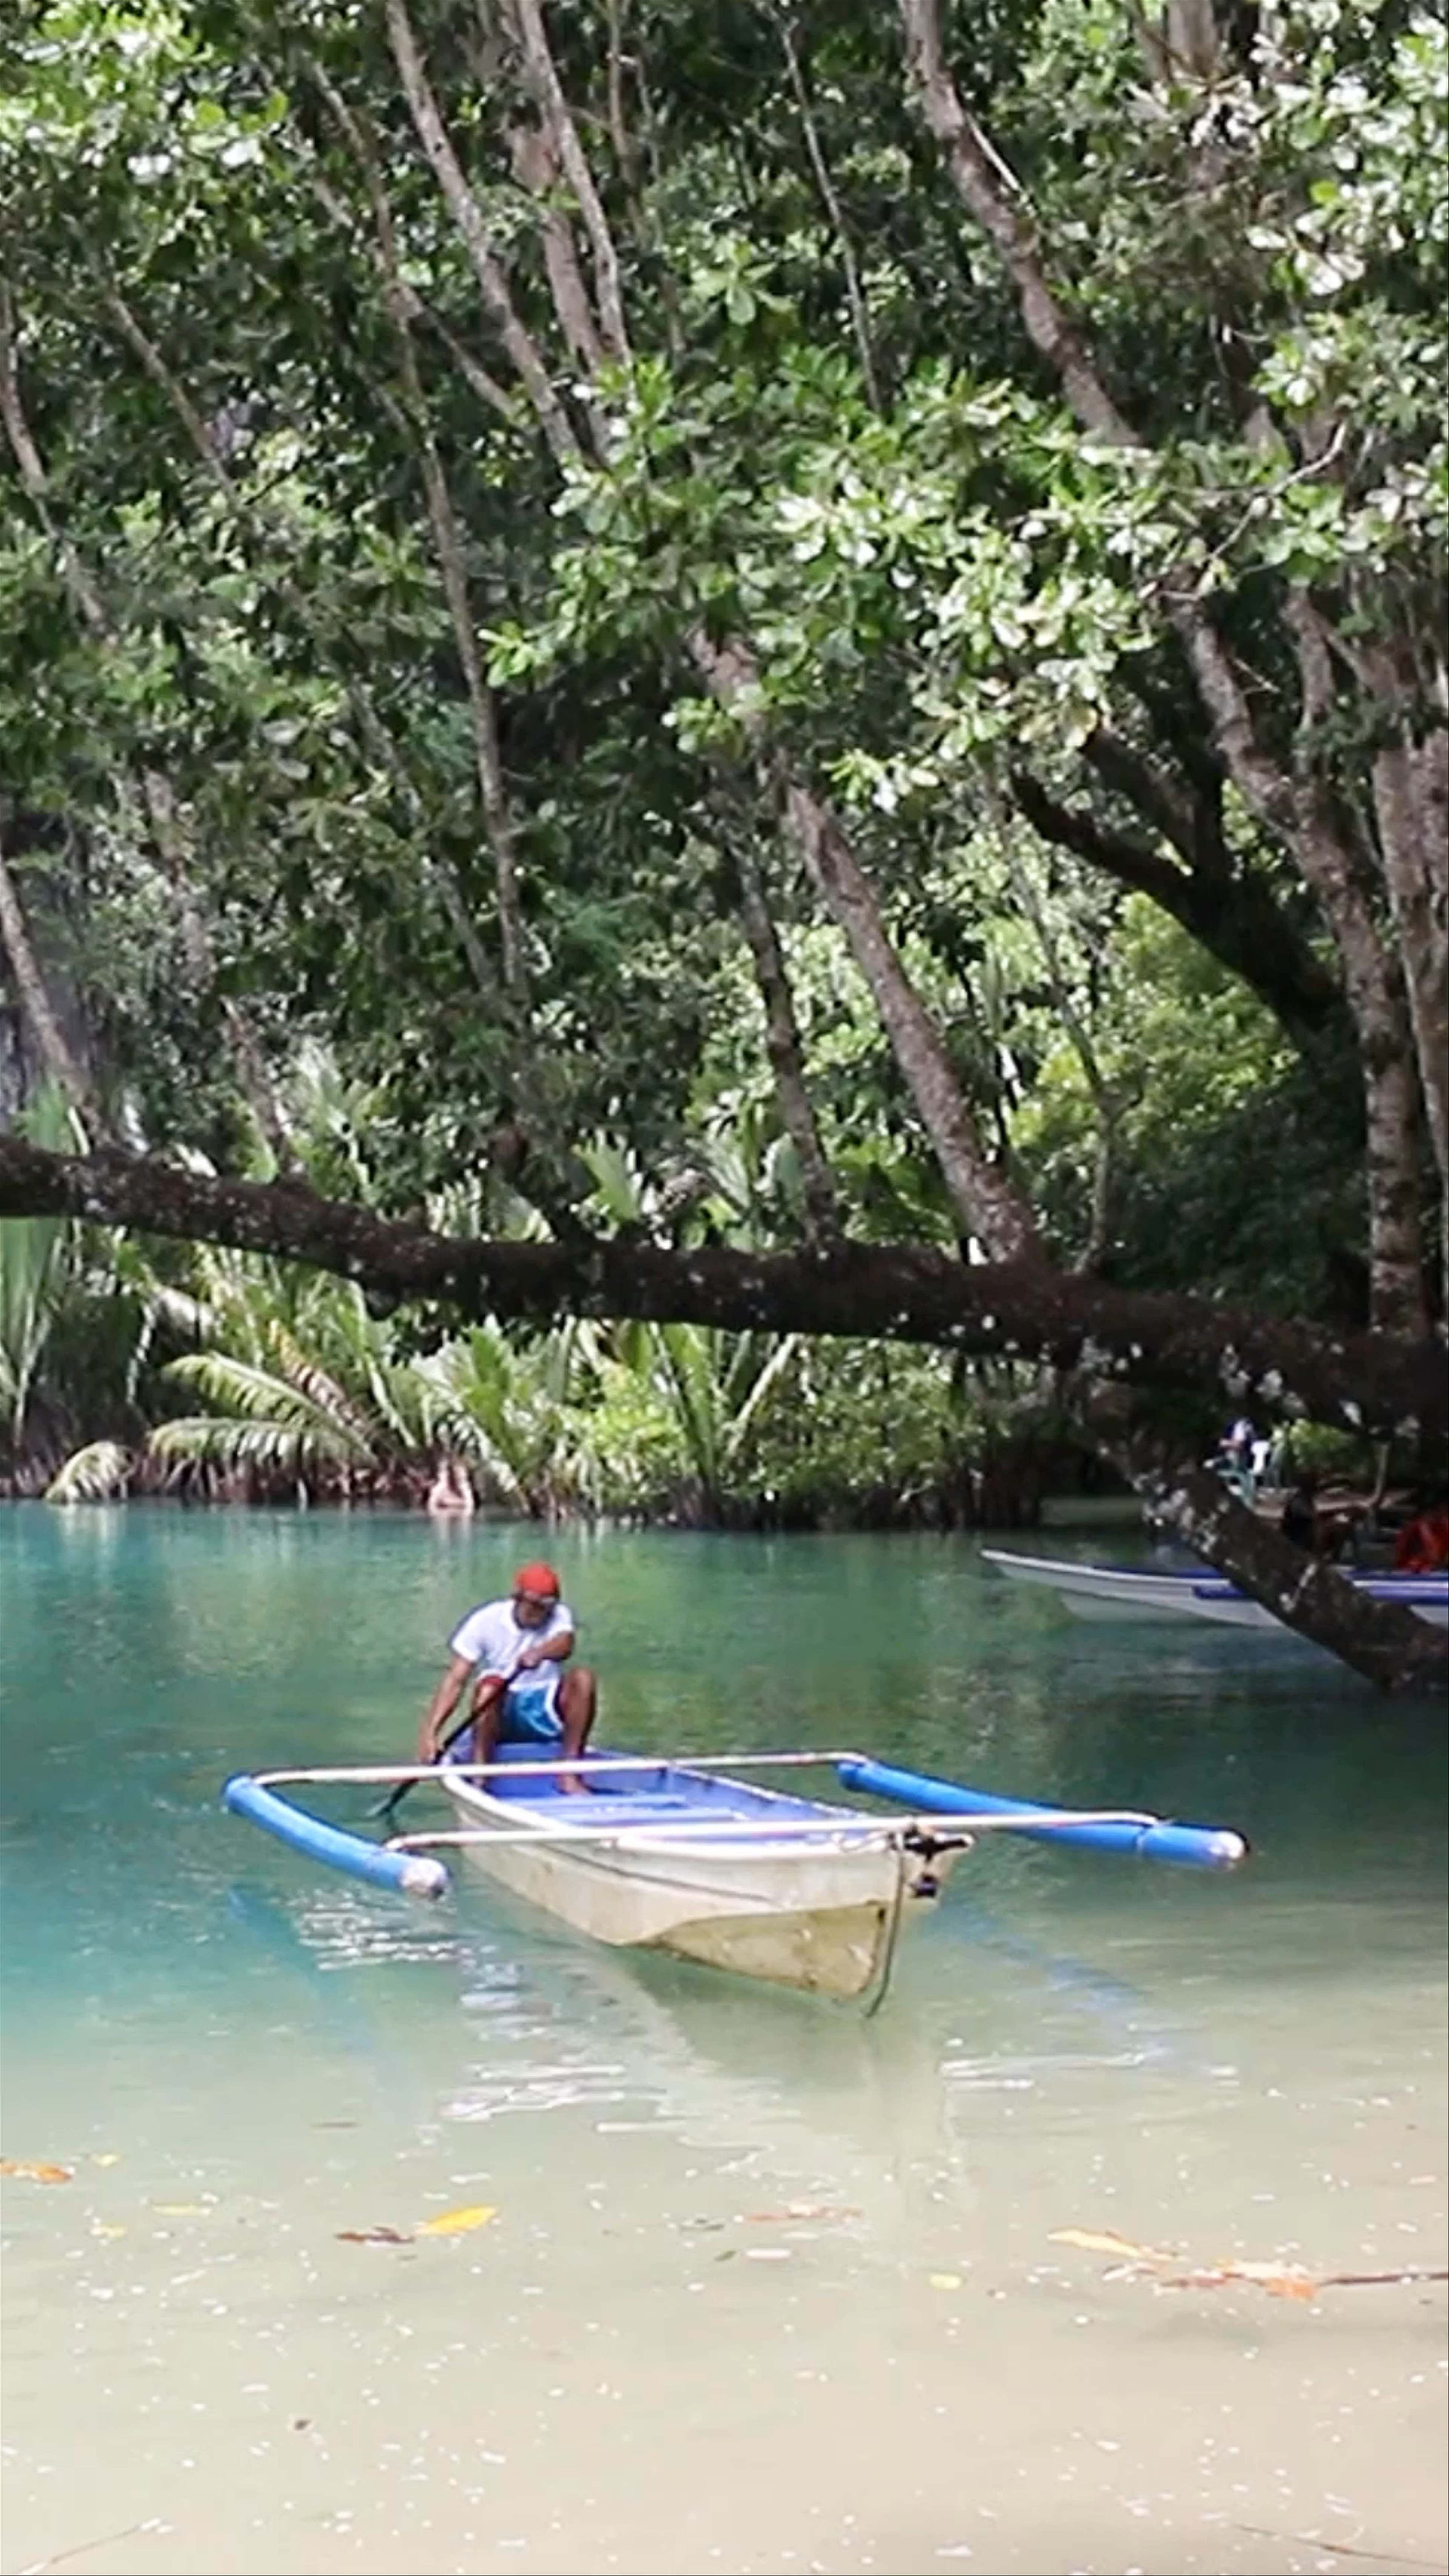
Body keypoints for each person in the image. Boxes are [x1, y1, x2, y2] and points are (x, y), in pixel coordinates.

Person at [418, 1562, 598, 1792]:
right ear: (517, 1598)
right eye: (533, 1606)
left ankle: (570, 1773)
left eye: (546, 1608)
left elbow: (565, 1645)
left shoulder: (560, 1614)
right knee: (488, 1688)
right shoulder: (485, 1621)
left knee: (583, 1678)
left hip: (544, 1707)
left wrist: (540, 1653)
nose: (540, 1614)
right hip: (500, 1707)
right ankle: (481, 1777)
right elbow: (456, 1681)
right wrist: (431, 1733)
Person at [1394, 1501, 1449, 1574]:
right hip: (1412, 1569)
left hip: (1433, 1569)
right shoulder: (1416, 1527)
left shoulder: (1443, 1528)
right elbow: (1399, 1552)